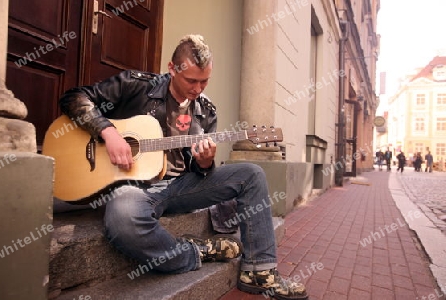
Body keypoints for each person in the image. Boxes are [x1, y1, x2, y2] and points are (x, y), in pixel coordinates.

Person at [58, 34, 308, 299]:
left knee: (252, 174)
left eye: (204, 81)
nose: (198, 88)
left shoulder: (206, 111)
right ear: (172, 68)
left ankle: (259, 272)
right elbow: (74, 97)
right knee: (124, 218)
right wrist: (108, 133)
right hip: (133, 185)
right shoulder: (136, 85)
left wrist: (205, 163)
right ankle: (194, 252)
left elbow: (201, 173)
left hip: (179, 186)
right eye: (191, 80)